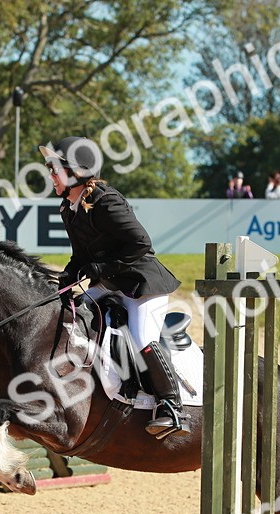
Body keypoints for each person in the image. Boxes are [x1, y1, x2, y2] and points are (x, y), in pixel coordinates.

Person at [39, 136, 189, 437]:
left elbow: (141, 243)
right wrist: (69, 275)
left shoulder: (106, 201)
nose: (51, 175)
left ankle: (172, 407)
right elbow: (81, 255)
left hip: (140, 284)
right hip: (109, 284)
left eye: (55, 169)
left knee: (142, 337)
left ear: (76, 172)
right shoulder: (69, 208)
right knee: (74, 316)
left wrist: (101, 268)